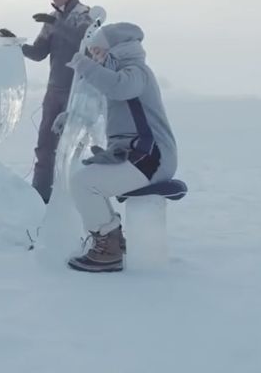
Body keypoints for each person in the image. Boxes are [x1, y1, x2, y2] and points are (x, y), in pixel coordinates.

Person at [63, 22, 177, 273]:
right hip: (136, 154)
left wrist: (85, 65)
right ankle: (113, 238)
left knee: (84, 184)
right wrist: (72, 118)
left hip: (152, 157)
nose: (96, 57)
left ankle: (109, 248)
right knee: (85, 180)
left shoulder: (136, 71)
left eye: (99, 51)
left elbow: (120, 87)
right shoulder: (119, 74)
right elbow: (98, 103)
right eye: (93, 53)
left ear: (116, 48)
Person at [0, 0, 91, 204]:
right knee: (45, 147)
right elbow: (39, 53)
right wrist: (15, 43)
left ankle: (72, 197)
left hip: (76, 92)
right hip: (53, 91)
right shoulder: (52, 18)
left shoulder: (86, 17)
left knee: (73, 148)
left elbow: (83, 45)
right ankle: (40, 197)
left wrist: (57, 25)